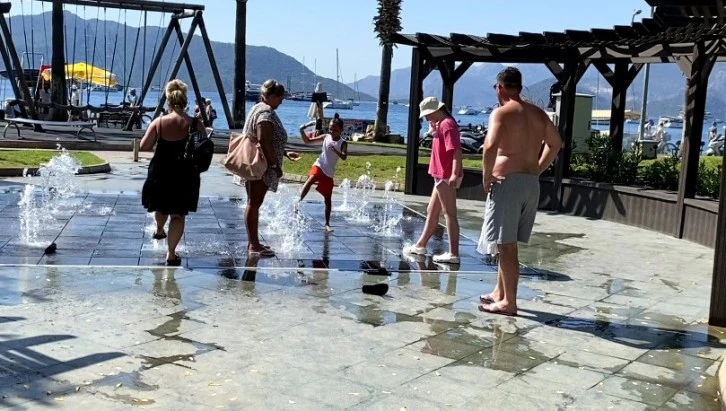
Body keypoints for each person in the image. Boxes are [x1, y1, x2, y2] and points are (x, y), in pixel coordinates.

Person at [477, 67, 562, 316]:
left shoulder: (501, 112)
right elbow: (556, 143)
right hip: (530, 183)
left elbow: (490, 146)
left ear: (499, 88)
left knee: (506, 245)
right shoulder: (538, 113)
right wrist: (538, 169)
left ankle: (509, 302)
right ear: (520, 87)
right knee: (507, 241)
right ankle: (499, 292)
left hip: (508, 182)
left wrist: (487, 176)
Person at [140, 79, 206, 266]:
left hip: (160, 171)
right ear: (185, 101)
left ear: (168, 101)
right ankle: (171, 253)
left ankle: (160, 229)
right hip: (185, 174)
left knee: (160, 207)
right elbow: (205, 148)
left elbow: (144, 146)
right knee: (178, 214)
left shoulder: (159, 123)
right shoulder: (195, 124)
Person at [240, 79, 300, 257]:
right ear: (271, 96)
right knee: (254, 203)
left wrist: (284, 152)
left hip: (256, 163)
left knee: (253, 202)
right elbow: (263, 140)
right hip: (261, 166)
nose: (281, 102)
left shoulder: (257, 108)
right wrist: (274, 165)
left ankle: (253, 242)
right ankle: (254, 245)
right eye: (280, 98)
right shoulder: (265, 113)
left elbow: (268, 140)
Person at [402, 96, 463, 264]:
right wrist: (434, 130)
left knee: (449, 213)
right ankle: (420, 245)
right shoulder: (442, 124)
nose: (427, 118)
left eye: (428, 114)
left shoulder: (447, 124)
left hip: (445, 175)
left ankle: (454, 254)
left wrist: (454, 174)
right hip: (440, 175)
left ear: (435, 111)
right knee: (432, 210)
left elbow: (456, 151)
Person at [297, 113, 348, 232]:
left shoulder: (343, 142)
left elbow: (344, 157)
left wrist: (336, 150)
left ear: (341, 130)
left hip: (329, 172)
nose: (332, 131)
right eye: (330, 129)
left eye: (335, 130)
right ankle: (297, 202)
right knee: (310, 179)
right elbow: (308, 141)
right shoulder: (326, 137)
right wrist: (302, 131)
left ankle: (327, 224)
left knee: (327, 199)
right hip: (319, 164)